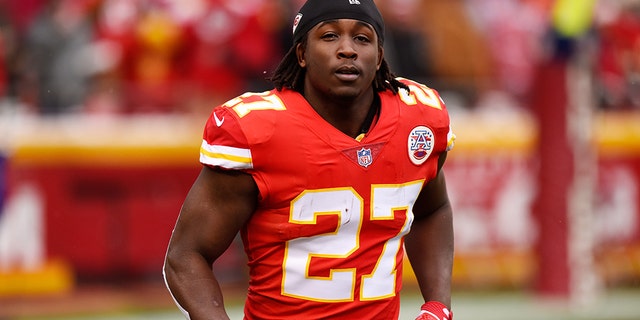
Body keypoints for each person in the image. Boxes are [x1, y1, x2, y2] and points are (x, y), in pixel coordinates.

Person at [163, 0, 455, 319]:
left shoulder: (418, 119)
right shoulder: (259, 130)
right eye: (329, 36)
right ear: (301, 54)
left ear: (380, 55)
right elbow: (186, 254)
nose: (347, 49)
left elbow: (432, 209)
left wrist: (437, 304)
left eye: (362, 38)